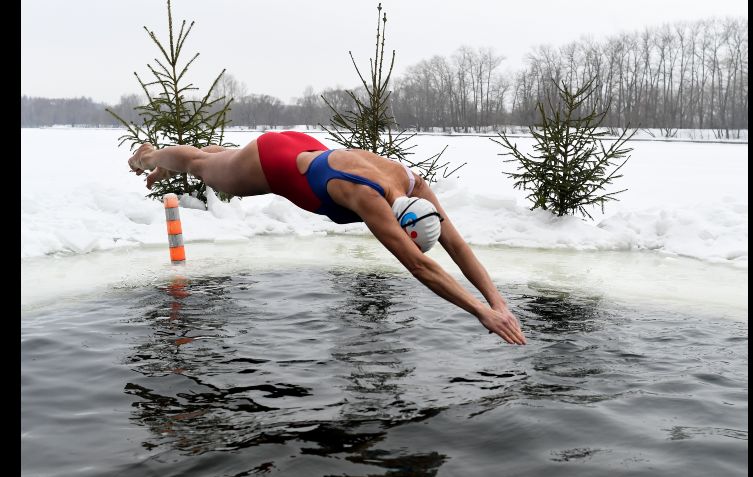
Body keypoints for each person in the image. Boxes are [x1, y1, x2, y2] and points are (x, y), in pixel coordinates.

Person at [128, 131, 526, 345]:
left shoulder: (413, 185)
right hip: (272, 162)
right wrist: (481, 313)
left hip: (304, 148)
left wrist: (498, 302)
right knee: (202, 165)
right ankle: (149, 156)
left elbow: (455, 246)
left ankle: (210, 156)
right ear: (397, 222)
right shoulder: (366, 198)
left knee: (217, 159)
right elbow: (420, 265)